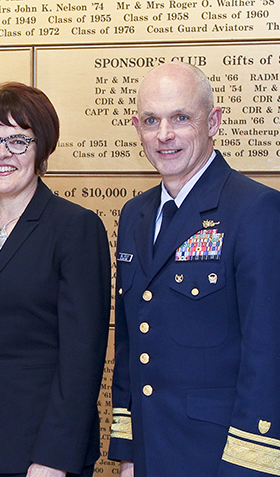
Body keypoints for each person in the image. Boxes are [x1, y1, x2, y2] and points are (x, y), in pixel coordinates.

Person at [109, 62, 280, 476]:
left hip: (217, 457)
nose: (164, 135)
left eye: (180, 118)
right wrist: (128, 450)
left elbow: (267, 353)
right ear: (137, 127)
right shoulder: (135, 214)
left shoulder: (254, 209)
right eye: (151, 120)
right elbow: (131, 343)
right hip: (151, 453)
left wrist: (249, 465)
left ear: (213, 122)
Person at [0, 82, 111, 477]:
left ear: (41, 148)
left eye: (17, 141)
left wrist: (54, 457)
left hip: (37, 453)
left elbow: (81, 358)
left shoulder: (75, 228)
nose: (0, 153)